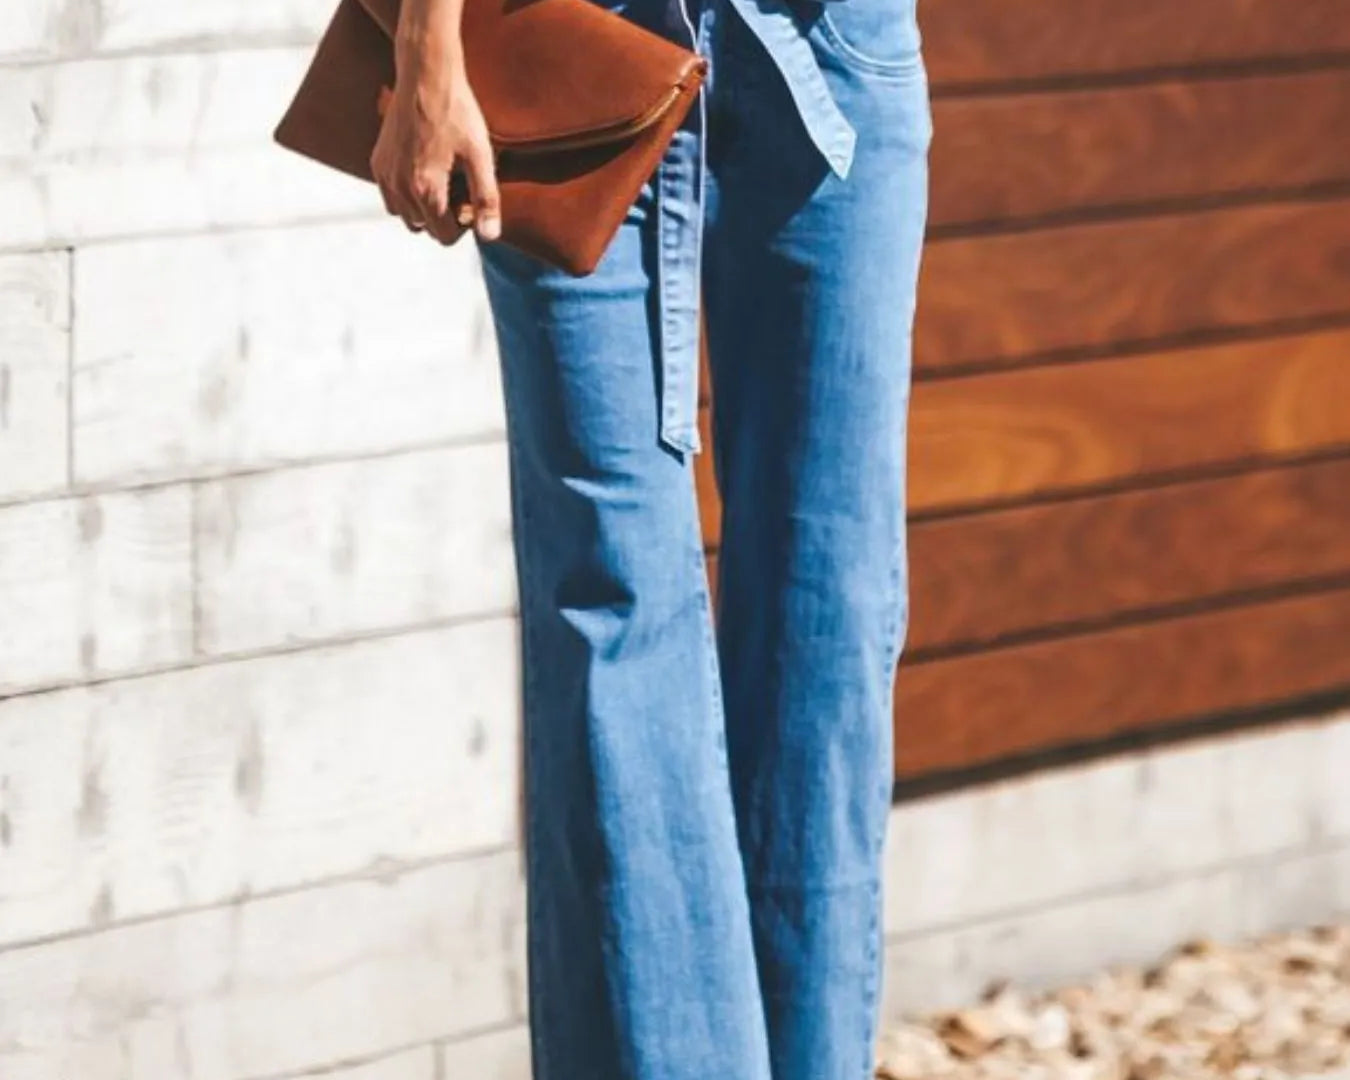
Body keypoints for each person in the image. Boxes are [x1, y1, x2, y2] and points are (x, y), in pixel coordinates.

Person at [370, 0, 931, 1073]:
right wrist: (427, 43)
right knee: (613, 602)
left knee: (831, 607)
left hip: (834, 44)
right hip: (562, 42)